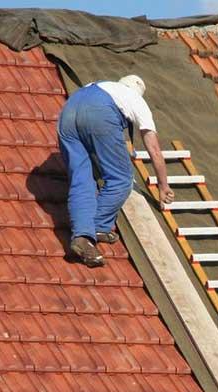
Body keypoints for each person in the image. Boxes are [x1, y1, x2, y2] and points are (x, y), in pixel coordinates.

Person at [57, 75, 175, 267]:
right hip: (99, 112)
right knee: (121, 178)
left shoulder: (105, 85)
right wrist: (163, 186)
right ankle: (96, 226)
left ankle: (83, 237)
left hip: (70, 110)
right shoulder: (137, 100)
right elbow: (154, 149)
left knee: (82, 179)